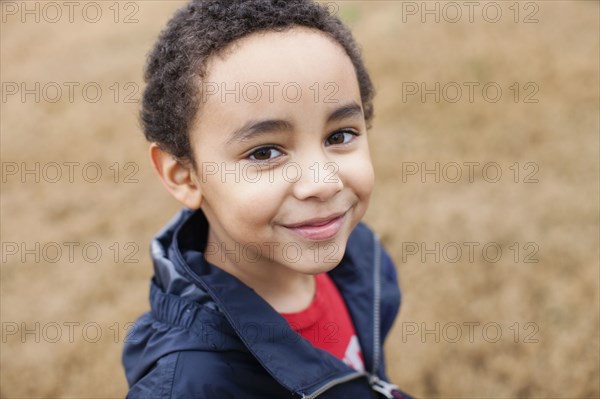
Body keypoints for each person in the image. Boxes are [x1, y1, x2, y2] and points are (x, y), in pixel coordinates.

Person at [122, 0, 413, 397]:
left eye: (339, 136)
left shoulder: (359, 255)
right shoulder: (192, 384)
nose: (323, 183)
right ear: (185, 176)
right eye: (264, 152)